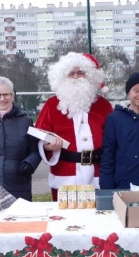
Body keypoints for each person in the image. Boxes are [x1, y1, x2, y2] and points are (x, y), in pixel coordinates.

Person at [35, 52, 113, 200]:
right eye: (71, 73)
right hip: (65, 175)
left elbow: (114, 139)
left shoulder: (104, 105)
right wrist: (47, 147)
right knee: (65, 219)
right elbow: (39, 134)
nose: (76, 77)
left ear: (90, 76)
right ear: (63, 77)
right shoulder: (51, 105)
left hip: (98, 175)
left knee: (99, 217)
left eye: (81, 73)